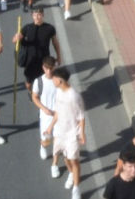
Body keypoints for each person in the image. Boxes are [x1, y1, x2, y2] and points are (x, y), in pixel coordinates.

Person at [50, 66, 87, 199]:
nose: (52, 80)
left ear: (60, 80)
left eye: (54, 78)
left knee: (74, 160)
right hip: (60, 132)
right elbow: (57, 112)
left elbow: (81, 116)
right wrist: (50, 127)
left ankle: (76, 189)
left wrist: (82, 134)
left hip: (72, 134)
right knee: (65, 158)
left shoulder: (74, 96)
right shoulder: (58, 91)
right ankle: (71, 174)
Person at [15, 4, 61, 86]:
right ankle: (32, 94)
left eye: (39, 14)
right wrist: (16, 38)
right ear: (32, 16)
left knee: (47, 82)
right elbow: (15, 40)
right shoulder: (27, 28)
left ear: (43, 15)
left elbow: (55, 42)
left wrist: (59, 56)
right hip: (30, 61)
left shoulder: (50, 28)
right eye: (34, 15)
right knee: (29, 84)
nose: (37, 17)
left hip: (44, 61)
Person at [31, 55, 61, 169]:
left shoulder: (59, 80)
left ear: (54, 67)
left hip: (59, 116)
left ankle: (54, 165)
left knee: (57, 142)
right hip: (46, 117)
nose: (49, 71)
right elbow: (34, 97)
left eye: (51, 68)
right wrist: (44, 109)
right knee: (47, 140)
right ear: (43, 67)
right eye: (46, 68)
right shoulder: (38, 81)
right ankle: (43, 146)